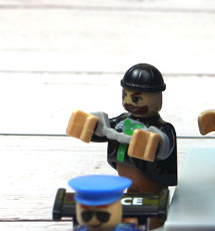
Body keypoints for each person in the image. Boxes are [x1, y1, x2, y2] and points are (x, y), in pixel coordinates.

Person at [66, 63, 177, 193]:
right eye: (125, 95)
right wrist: (91, 128)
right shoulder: (121, 121)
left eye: (136, 99)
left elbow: (164, 148)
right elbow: (103, 132)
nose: (127, 102)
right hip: (128, 183)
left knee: (149, 198)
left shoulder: (161, 128)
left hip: (151, 184)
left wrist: (153, 143)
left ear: (156, 97)